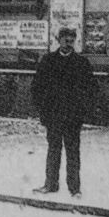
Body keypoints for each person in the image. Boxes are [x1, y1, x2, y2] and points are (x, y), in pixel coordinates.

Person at [32, 27, 97, 198]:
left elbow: (91, 90)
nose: (68, 44)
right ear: (58, 40)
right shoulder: (48, 61)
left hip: (73, 117)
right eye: (65, 40)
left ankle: (74, 188)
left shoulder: (81, 63)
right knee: (53, 150)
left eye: (71, 40)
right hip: (53, 116)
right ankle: (50, 184)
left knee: (73, 152)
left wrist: (82, 111)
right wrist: (43, 111)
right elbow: (37, 88)